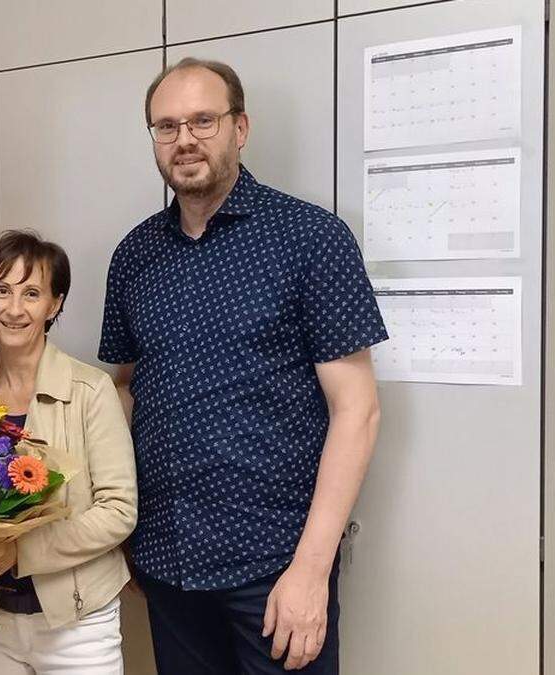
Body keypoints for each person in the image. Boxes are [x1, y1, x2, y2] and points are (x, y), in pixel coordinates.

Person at [98, 58, 387, 674]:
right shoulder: (134, 255)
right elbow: (125, 391)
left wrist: (312, 568)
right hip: (168, 561)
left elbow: (357, 410)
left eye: (204, 120)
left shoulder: (311, 239)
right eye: (167, 126)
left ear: (241, 128)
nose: (185, 140)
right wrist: (118, 528)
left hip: (276, 567)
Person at [0, 230, 137, 674]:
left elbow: (118, 510)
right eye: (2, 290)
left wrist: (16, 555)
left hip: (78, 624)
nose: (15, 308)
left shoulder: (90, 390)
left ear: (54, 304)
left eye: (32, 293)